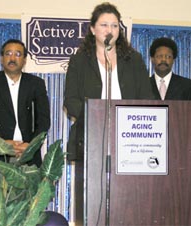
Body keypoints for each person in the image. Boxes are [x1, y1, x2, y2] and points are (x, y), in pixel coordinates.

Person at [63, 2, 154, 225]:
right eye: (104, 24)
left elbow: (148, 99)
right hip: (91, 136)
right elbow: (70, 100)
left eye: (115, 25)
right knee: (92, 200)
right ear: (93, 29)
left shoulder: (133, 60)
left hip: (130, 138)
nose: (110, 30)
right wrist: (95, 117)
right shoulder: (80, 60)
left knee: (127, 201)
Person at [0, 39, 50, 192]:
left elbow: (43, 120)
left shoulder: (36, 83)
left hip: (25, 154)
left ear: (24, 60)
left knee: (25, 208)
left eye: (17, 54)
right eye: (8, 54)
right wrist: (1, 142)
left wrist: (31, 146)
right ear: (1, 58)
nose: (12, 58)